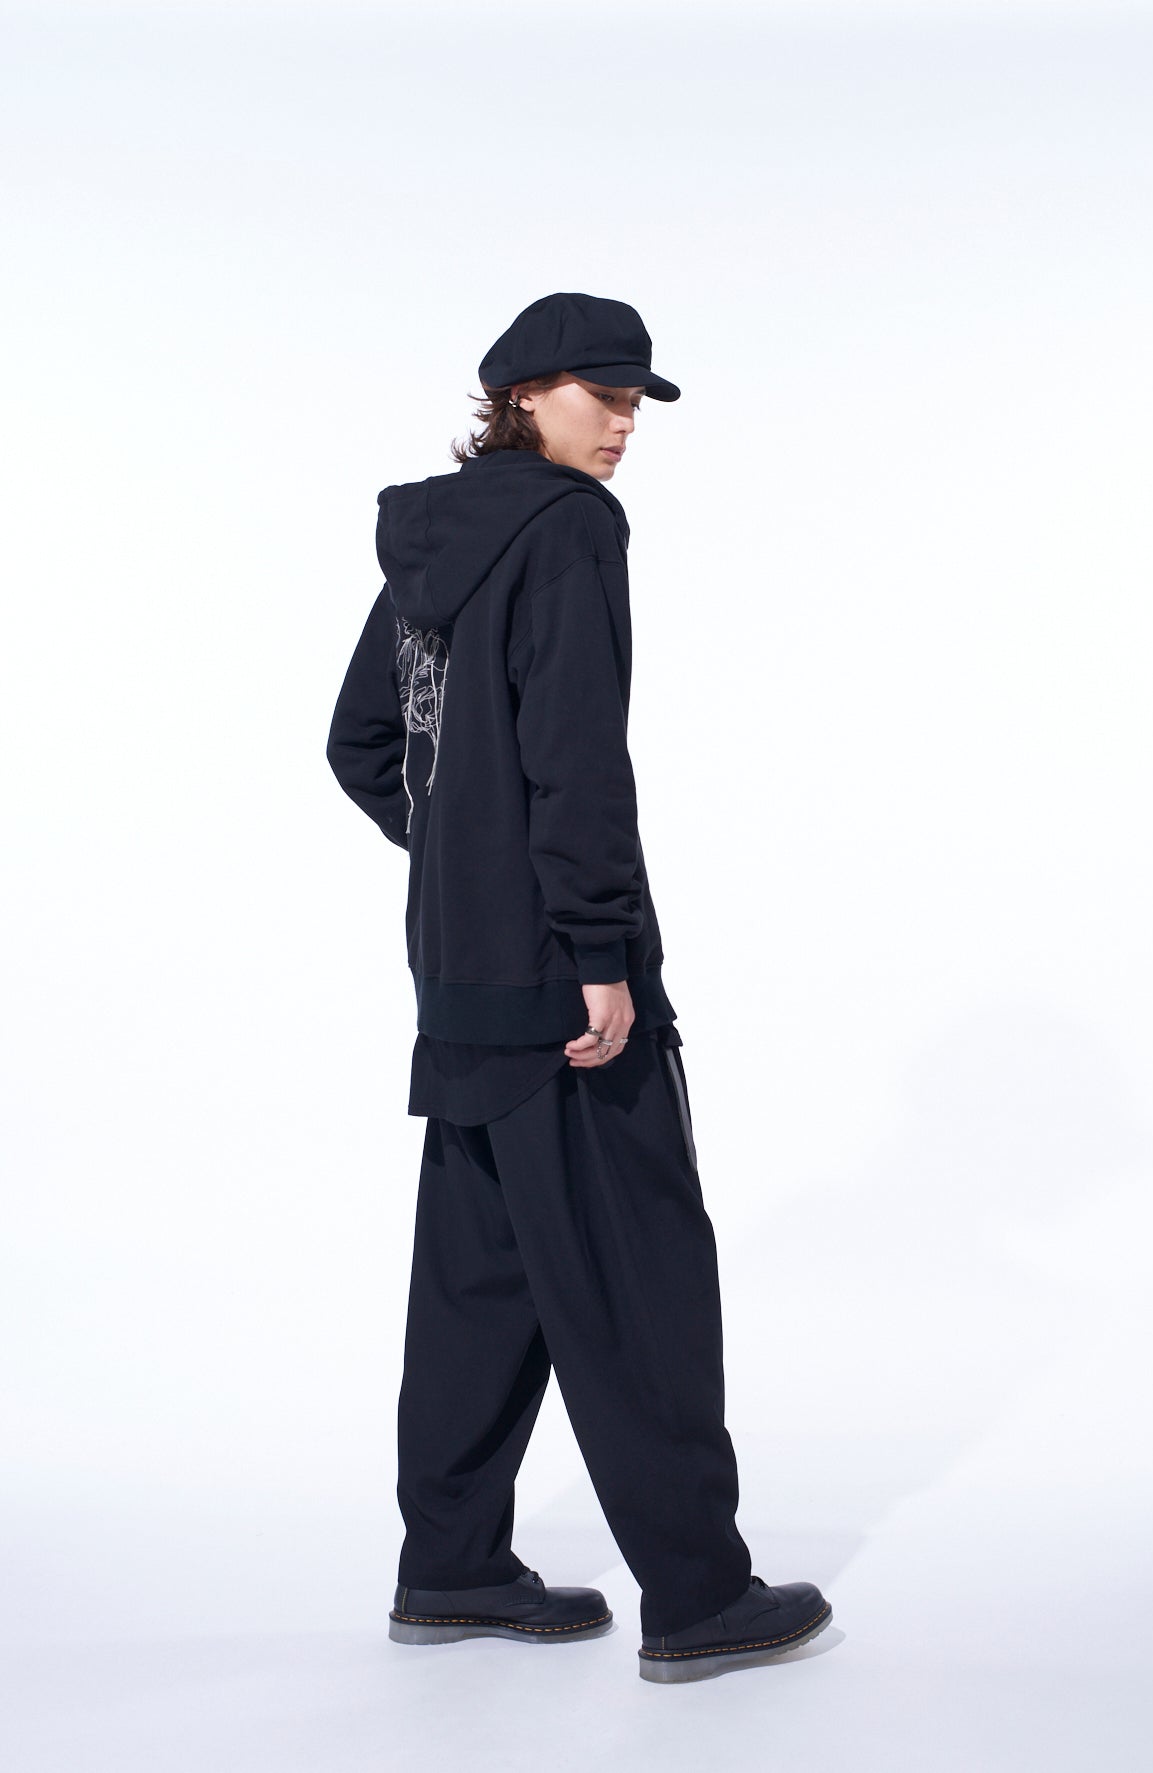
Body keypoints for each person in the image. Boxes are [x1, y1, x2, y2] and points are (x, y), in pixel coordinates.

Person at [325, 291, 833, 1683]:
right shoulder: (569, 528)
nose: (622, 424)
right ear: (523, 396)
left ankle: (450, 1566)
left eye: (633, 402)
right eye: (599, 396)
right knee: (638, 1273)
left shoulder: (434, 540)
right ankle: (701, 1594)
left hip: (458, 974)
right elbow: (575, 760)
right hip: (562, 976)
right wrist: (596, 946)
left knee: (481, 1285)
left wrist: (467, 861)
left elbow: (363, 742)